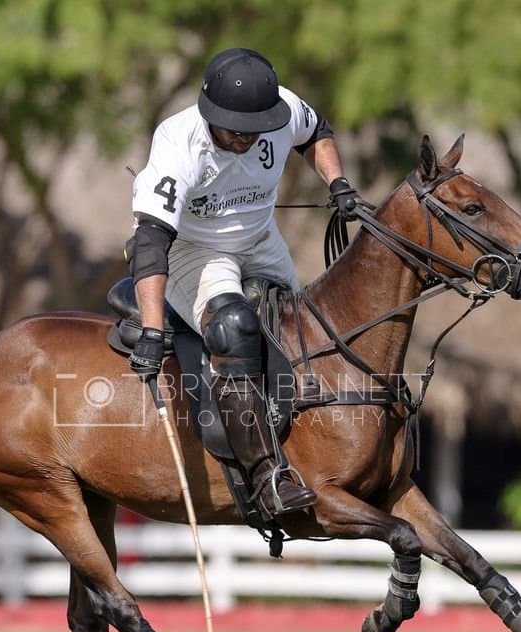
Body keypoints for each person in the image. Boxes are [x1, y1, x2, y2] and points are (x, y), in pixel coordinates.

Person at [125, 47, 365, 516]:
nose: (247, 138)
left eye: (255, 130)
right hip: (193, 249)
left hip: (260, 238)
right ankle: (264, 478)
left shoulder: (279, 112)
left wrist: (337, 183)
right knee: (234, 327)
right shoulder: (179, 144)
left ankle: (310, 448)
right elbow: (150, 242)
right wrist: (154, 332)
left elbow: (316, 131)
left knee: (302, 332)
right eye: (236, 130)